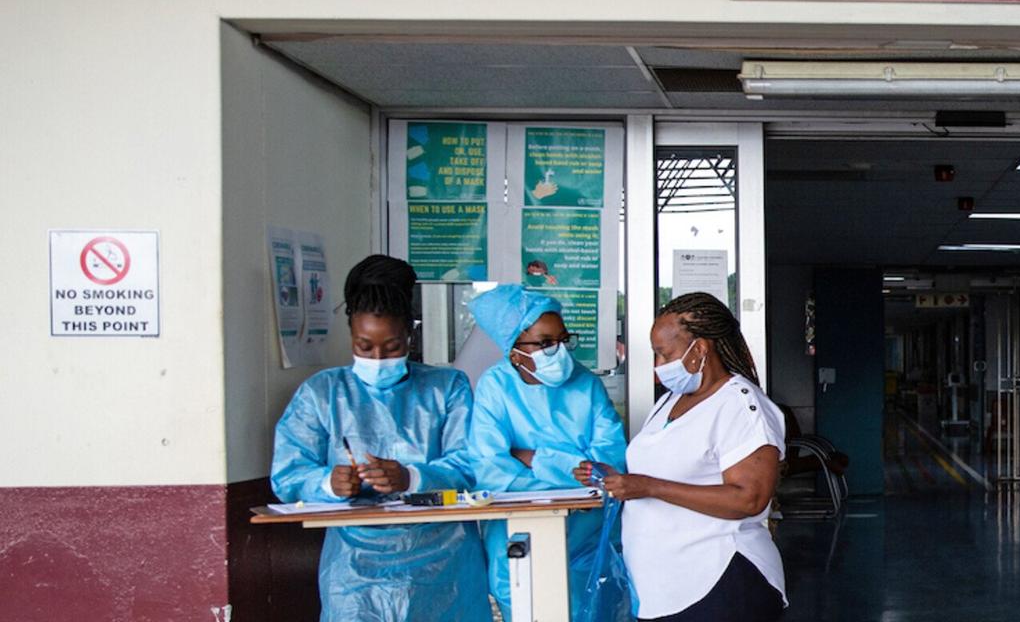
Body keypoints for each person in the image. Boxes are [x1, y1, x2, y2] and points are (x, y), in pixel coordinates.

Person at [270, 255, 490, 621]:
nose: (377, 357)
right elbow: (287, 474)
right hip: (353, 570)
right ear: (351, 335)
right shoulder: (323, 393)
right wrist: (328, 482)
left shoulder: (446, 388)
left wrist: (411, 477)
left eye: (391, 348)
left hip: (443, 563)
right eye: (364, 347)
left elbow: (471, 463)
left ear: (410, 335)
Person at [577, 292, 787, 622]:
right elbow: (661, 469)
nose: (658, 367)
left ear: (700, 349)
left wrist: (648, 487)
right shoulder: (670, 402)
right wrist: (614, 477)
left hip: (720, 583)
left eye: (664, 354)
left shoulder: (741, 406)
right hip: (664, 588)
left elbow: (750, 499)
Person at [466, 284, 628, 617]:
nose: (559, 351)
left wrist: (535, 458)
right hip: (519, 536)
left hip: (589, 540)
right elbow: (490, 470)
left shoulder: (586, 384)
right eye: (544, 343)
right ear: (514, 350)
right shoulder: (495, 388)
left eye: (562, 340)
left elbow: (610, 464)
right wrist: (572, 470)